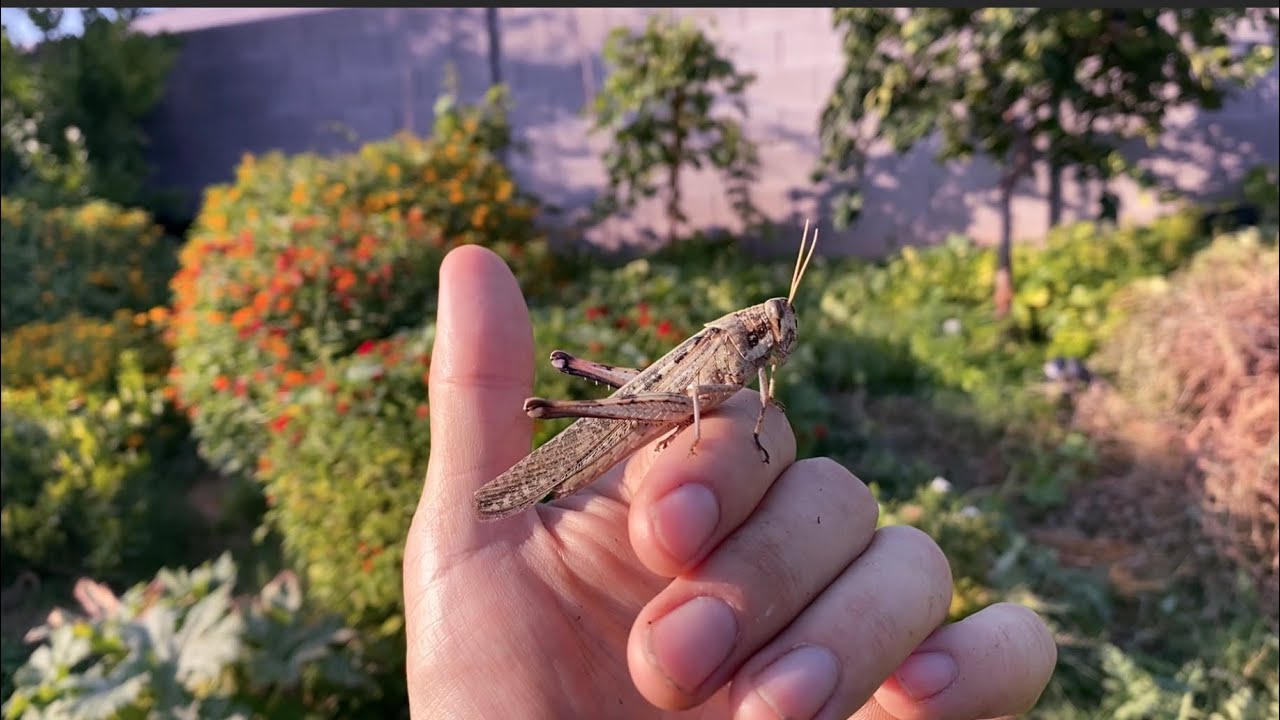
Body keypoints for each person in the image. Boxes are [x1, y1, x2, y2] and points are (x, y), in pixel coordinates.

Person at [404, 246, 1057, 719]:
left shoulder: (752, 363)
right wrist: (705, 431)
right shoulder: (727, 344)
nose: (782, 335)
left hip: (666, 419)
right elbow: (701, 395)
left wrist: (749, 418)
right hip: (643, 413)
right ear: (758, 326)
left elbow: (742, 395)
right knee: (696, 413)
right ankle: (558, 418)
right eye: (776, 323)